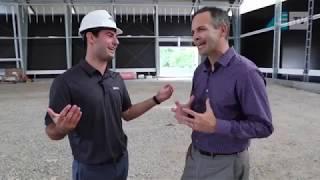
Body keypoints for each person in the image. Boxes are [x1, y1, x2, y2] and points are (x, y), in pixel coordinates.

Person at [44, 10, 173, 180]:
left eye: (116, 37)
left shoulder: (116, 79)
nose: (116, 42)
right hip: (90, 170)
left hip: (121, 163)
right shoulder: (66, 82)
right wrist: (61, 128)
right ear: (91, 37)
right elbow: (51, 131)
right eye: (110, 35)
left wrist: (157, 99)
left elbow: (127, 113)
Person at [172, 7, 273, 180]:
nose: (195, 36)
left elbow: (264, 127)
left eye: (202, 29)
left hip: (227, 165)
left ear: (223, 30)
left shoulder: (246, 73)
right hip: (194, 156)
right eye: (193, 31)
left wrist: (217, 126)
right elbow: (203, 118)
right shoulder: (199, 72)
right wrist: (188, 113)